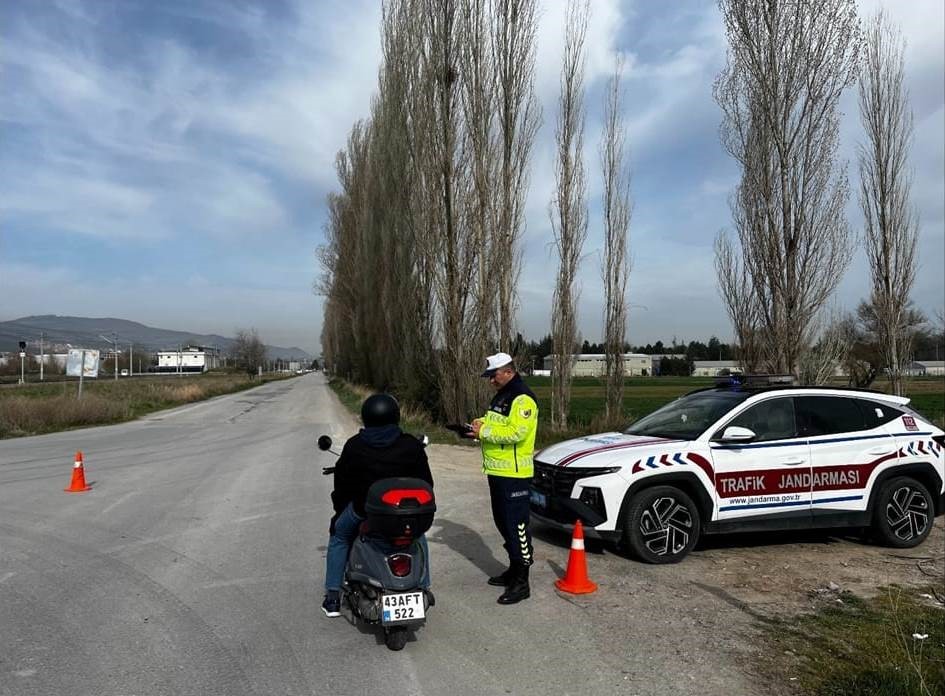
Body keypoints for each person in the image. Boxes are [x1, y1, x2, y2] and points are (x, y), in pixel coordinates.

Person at [322, 393, 434, 617]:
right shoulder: (411, 445)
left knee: (339, 536)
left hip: (365, 513)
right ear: (395, 416)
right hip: (404, 514)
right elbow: (427, 483)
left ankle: (333, 597)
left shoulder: (355, 446)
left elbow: (342, 486)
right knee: (418, 537)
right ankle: (424, 586)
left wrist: (340, 510)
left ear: (366, 417)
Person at [469, 352, 539, 605]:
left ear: (508, 372)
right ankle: (513, 569)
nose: (491, 381)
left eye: (493, 376)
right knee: (503, 523)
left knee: (517, 527)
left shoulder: (522, 398)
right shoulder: (503, 395)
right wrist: (477, 426)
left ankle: (522, 582)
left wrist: (484, 431)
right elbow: (495, 422)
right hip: (498, 471)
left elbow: (516, 433)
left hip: (515, 474)